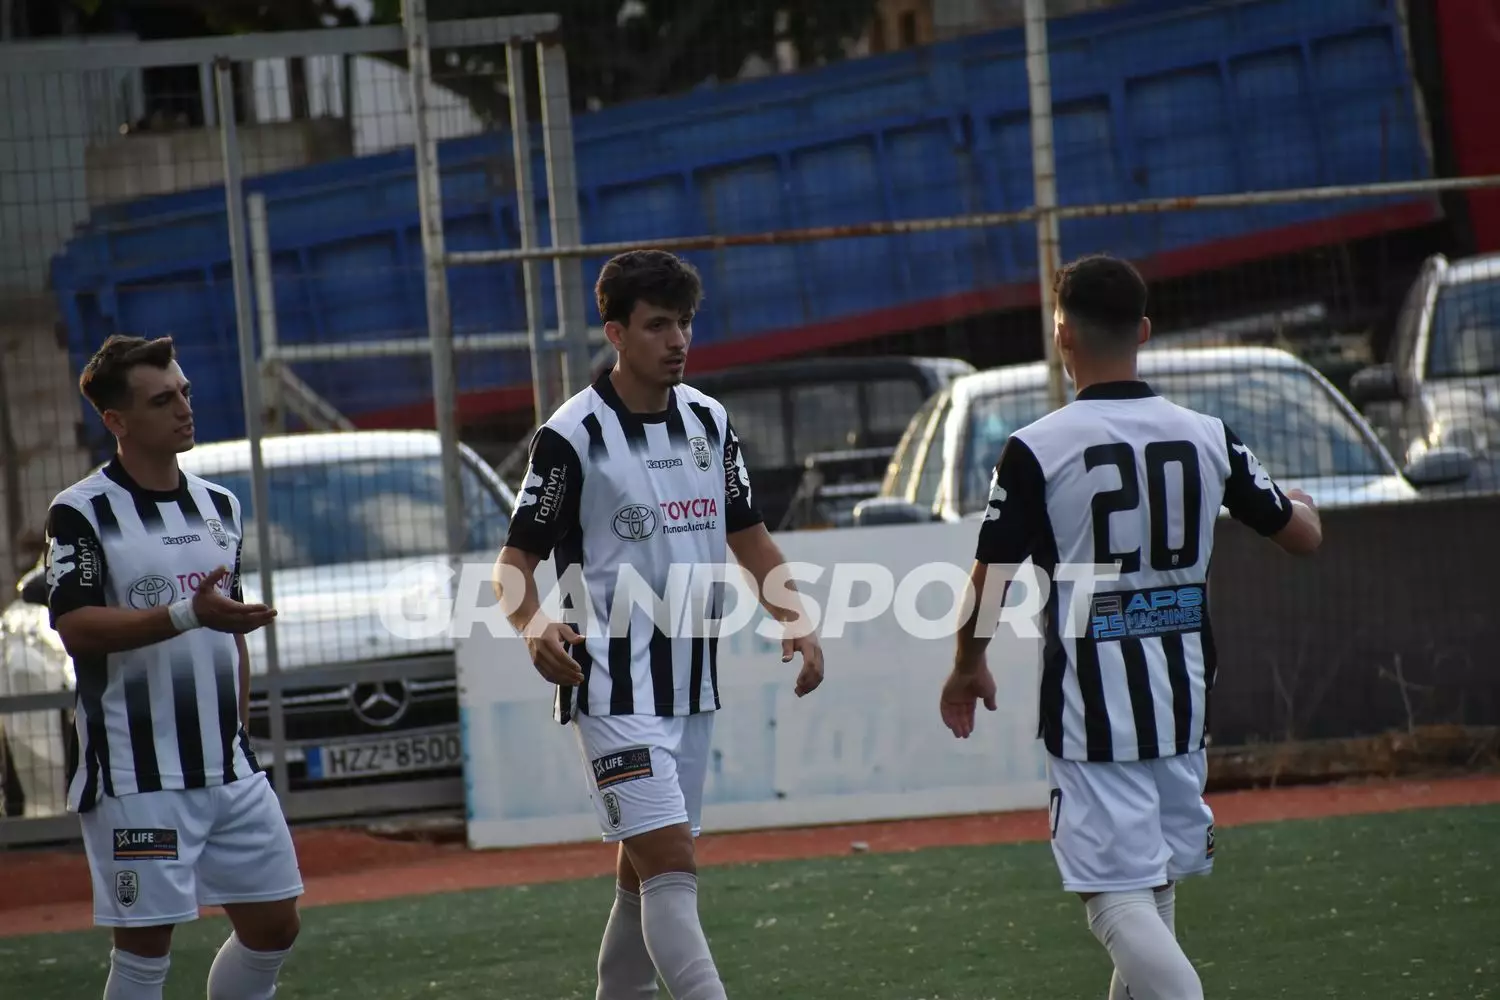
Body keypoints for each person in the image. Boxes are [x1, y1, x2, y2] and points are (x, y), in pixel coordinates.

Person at [941, 254, 1322, 1000]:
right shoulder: (1208, 434)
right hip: (1182, 701)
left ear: (1061, 334)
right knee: (1151, 886)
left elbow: (991, 580)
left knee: (1114, 899)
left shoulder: (1036, 448)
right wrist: (1306, 504)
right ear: (1143, 331)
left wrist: (966, 664)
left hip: (1091, 713)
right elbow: (1300, 535)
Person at [493, 249, 825, 999]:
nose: (677, 341)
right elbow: (512, 565)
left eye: (684, 324)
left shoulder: (709, 419)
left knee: (640, 881)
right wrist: (532, 623)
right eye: (657, 326)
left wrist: (796, 615)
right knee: (673, 869)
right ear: (615, 333)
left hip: (691, 687)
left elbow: (748, 534)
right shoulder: (571, 436)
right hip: (611, 687)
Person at [43, 335, 302, 1000]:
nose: (184, 408)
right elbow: (75, 626)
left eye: (184, 392)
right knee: (144, 953)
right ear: (117, 421)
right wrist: (187, 614)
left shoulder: (220, 505)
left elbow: (228, 630)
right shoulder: (81, 510)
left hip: (230, 768)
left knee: (275, 926)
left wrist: (238, 730)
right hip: (137, 774)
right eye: (162, 400)